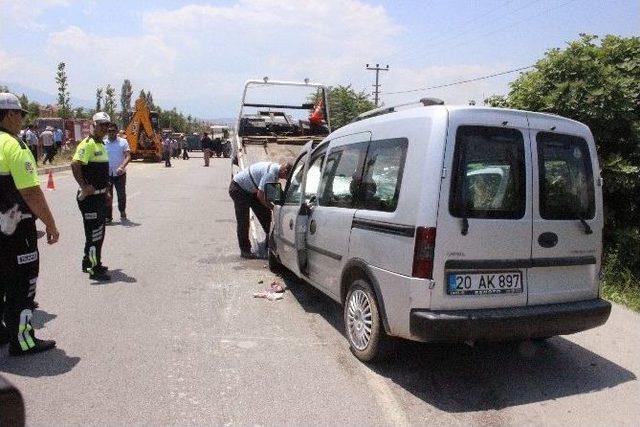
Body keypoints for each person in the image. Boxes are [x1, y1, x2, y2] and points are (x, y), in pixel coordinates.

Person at [0, 92, 59, 356]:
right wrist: (51, 224)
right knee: (22, 285)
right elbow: (31, 192)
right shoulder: (14, 146)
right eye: (20, 115)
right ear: (10, 114)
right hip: (16, 231)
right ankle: (23, 340)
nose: (21, 120)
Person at [71, 112, 111, 281]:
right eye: (101, 124)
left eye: (107, 125)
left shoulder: (101, 145)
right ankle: (94, 268)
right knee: (94, 234)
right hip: (90, 199)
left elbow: (102, 173)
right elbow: (75, 164)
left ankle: (89, 262)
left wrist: (107, 191)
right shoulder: (87, 144)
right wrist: (84, 186)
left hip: (100, 197)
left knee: (99, 233)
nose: (104, 128)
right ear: (93, 125)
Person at [228, 160, 292, 258]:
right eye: (287, 177)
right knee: (243, 221)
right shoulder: (270, 174)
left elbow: (275, 194)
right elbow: (261, 196)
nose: (286, 179)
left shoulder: (275, 171)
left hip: (251, 189)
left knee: (266, 215)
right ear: (284, 171)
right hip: (238, 189)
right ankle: (245, 251)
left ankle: (269, 243)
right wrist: (273, 207)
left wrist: (283, 205)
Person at [104, 123, 131, 223]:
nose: (111, 132)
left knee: (121, 195)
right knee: (107, 195)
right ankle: (108, 217)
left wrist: (122, 166)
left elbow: (128, 156)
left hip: (120, 174)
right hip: (107, 175)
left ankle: (122, 210)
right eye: (109, 131)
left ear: (116, 131)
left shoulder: (123, 142)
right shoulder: (103, 143)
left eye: (113, 131)